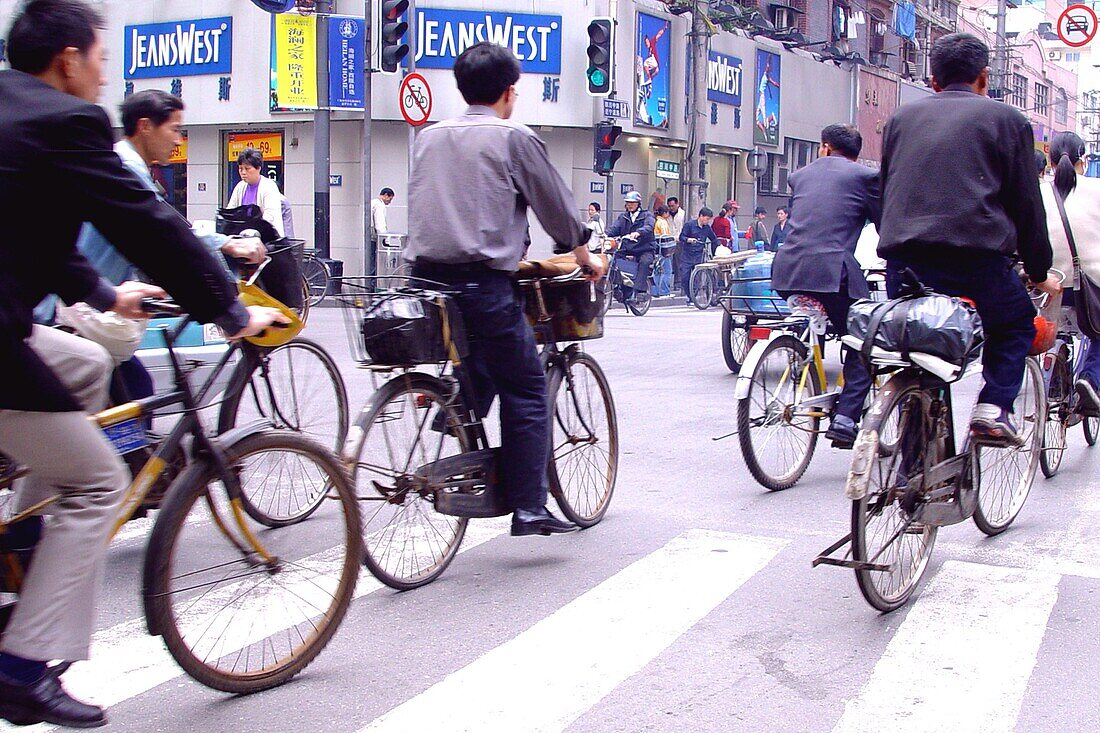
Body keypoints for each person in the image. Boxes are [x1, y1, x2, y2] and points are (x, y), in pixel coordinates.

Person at [0, 1, 287, 727]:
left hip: (23, 319)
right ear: (67, 58)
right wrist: (229, 309)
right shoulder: (69, 123)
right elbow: (147, 224)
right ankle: (22, 664)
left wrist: (106, 293)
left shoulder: (15, 112)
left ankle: (25, 540)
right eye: (99, 58)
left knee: (85, 369)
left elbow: (33, 233)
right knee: (98, 480)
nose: (103, 75)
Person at [403, 42, 603, 537]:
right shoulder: (514, 136)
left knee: (485, 362)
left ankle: (456, 412)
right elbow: (555, 208)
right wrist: (584, 256)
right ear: (509, 92)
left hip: (422, 282)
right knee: (529, 388)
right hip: (482, 284)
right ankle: (530, 507)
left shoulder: (427, 138)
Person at [878, 32, 1057, 443]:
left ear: (933, 80)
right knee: (1014, 327)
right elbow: (1027, 203)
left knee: (921, 353)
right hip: (976, 259)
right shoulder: (1008, 119)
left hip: (905, 259)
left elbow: (887, 189)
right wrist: (1037, 267)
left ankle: (910, 473)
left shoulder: (900, 120)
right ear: (984, 77)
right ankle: (992, 408)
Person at [772, 124, 881, 445]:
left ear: (824, 147)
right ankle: (846, 418)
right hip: (832, 271)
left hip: (787, 270)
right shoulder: (864, 178)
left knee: (823, 320)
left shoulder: (800, 176)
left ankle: (809, 348)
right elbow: (886, 227)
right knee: (863, 337)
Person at [1040, 131, 1100, 413]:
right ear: (1083, 160)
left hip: (1047, 287)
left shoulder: (1036, 192)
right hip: (1090, 291)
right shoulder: (1097, 189)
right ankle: (1091, 379)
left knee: (1056, 331)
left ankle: (1052, 381)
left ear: (1050, 160)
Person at [605, 190, 657, 299]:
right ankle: (619, 285)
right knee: (612, 258)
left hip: (645, 248)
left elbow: (649, 226)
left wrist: (638, 232)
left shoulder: (647, 215)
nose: (630, 205)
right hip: (627, 247)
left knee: (644, 262)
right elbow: (615, 228)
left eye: (632, 203)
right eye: (628, 203)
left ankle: (640, 292)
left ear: (638, 204)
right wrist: (604, 234)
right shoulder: (623, 217)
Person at [227, 147, 286, 237]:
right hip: (243, 239)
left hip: (266, 239)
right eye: (240, 169)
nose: (243, 172)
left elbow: (269, 218)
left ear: (258, 168)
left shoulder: (269, 186)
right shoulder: (240, 187)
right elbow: (230, 211)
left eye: (247, 169)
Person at [678, 207, 719, 303]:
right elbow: (681, 237)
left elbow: (713, 238)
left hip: (698, 255)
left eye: (709, 219)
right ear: (701, 216)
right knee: (685, 277)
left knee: (696, 278)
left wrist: (720, 246)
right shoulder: (689, 225)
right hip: (687, 254)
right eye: (707, 219)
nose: (707, 221)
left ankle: (693, 297)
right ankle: (690, 295)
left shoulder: (707, 228)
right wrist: (688, 239)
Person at [653, 205, 674, 297]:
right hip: (664, 250)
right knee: (667, 271)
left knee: (656, 271)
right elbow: (666, 236)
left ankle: (655, 291)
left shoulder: (656, 221)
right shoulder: (663, 223)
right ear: (665, 213)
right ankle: (664, 291)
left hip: (657, 249)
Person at [667, 196, 687, 288]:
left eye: (673, 206)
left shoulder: (683, 214)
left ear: (677, 204)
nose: (671, 208)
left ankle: (678, 283)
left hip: (679, 241)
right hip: (669, 241)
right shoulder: (666, 215)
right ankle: (668, 283)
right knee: (668, 263)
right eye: (669, 206)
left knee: (679, 262)